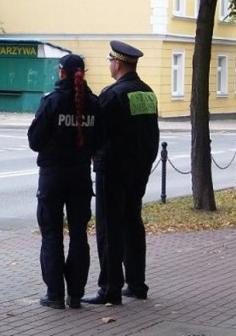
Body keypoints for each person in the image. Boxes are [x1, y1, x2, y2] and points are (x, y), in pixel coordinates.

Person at [84, 41, 159, 305]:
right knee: (132, 224)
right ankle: (137, 284)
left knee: (109, 228)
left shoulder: (113, 94)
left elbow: (97, 133)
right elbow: (151, 135)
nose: (109, 65)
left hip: (113, 169)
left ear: (117, 63)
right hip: (139, 169)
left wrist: (93, 155)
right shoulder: (148, 92)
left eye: (110, 61)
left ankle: (109, 289)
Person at [28, 54, 103, 310]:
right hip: (81, 176)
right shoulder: (94, 104)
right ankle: (75, 294)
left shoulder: (52, 102)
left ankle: (55, 294)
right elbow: (98, 141)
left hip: (52, 176)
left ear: (61, 72)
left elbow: (34, 141)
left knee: (52, 235)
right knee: (79, 235)